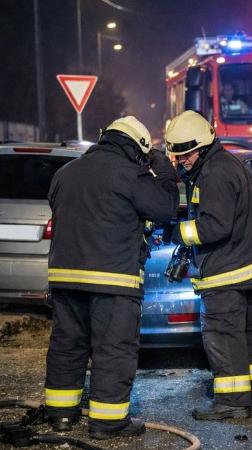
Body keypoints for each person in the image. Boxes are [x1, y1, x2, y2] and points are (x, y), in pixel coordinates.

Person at [45, 116, 179, 439]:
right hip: (114, 280)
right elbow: (166, 208)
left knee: (67, 345)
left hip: (64, 279)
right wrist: (161, 167)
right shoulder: (131, 174)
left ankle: (61, 416)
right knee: (113, 349)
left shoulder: (66, 173)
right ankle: (107, 422)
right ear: (138, 149)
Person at [165, 110, 252, 420]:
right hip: (245, 267)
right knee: (249, 329)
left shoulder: (214, 174)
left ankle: (232, 401)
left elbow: (216, 226)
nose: (181, 160)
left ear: (201, 145)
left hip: (226, 271)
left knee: (222, 335)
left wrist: (179, 232)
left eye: (186, 154)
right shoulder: (226, 164)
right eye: (177, 155)